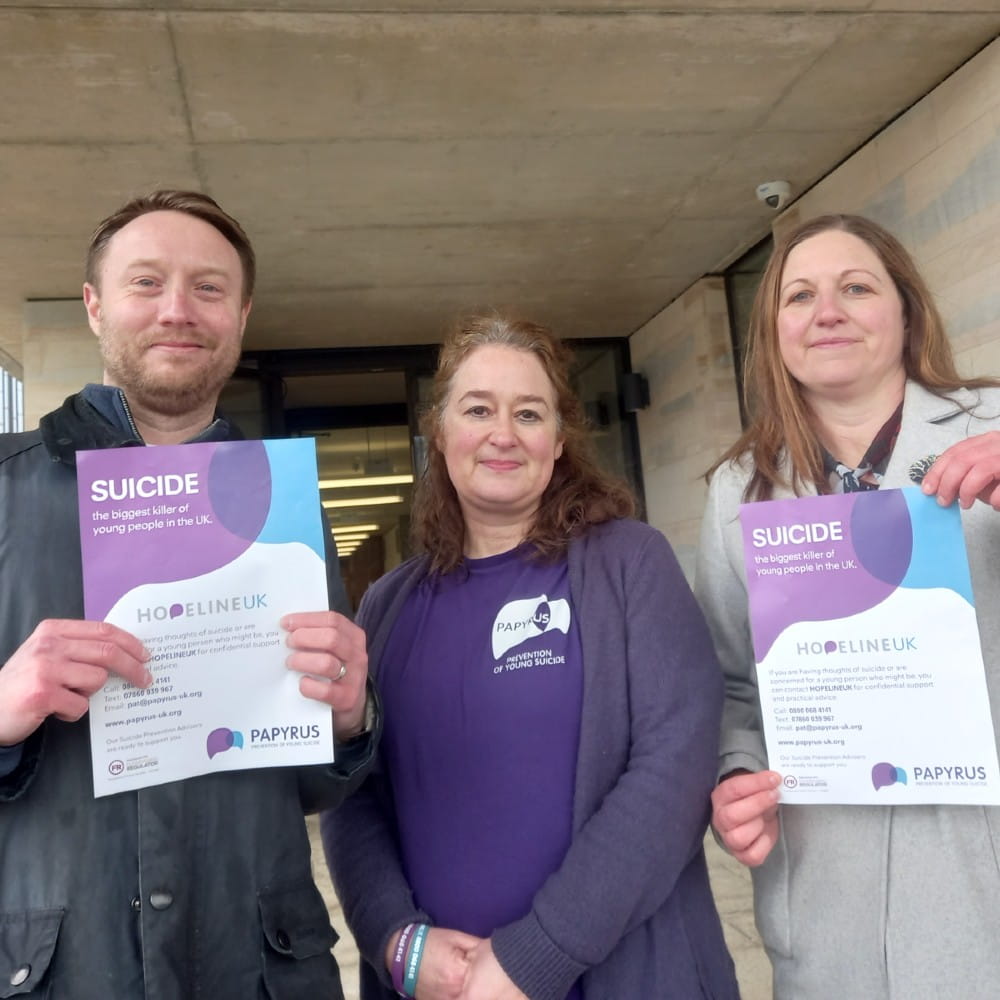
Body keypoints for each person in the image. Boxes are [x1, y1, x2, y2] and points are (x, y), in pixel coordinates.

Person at [0, 190, 379, 999]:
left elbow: (312, 783)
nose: (178, 309)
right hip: (60, 971)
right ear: (95, 307)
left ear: (241, 316)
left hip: (259, 967)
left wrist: (348, 718)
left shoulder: (290, 507)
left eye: (208, 288)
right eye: (146, 283)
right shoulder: (2, 490)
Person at [321, 313, 739, 1000]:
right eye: (478, 409)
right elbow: (354, 795)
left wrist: (532, 958)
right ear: (442, 432)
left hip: (623, 976)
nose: (503, 434)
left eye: (529, 413)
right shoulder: (388, 606)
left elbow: (676, 765)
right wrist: (396, 940)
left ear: (559, 440)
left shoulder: (631, 563)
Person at [697, 213, 1000, 999]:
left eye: (855, 288)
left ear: (905, 310)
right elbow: (732, 685)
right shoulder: (739, 492)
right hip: (829, 904)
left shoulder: (994, 436)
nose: (825, 311)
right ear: (775, 334)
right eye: (799, 296)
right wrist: (736, 779)